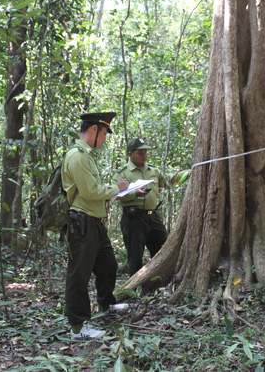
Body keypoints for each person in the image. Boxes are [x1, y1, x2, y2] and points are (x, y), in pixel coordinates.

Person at [61, 112, 131, 340]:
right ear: (94, 130)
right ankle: (78, 327)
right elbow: (91, 192)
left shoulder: (87, 156)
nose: (104, 139)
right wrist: (117, 188)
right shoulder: (78, 156)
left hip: (95, 223)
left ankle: (107, 304)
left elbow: (93, 191)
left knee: (108, 265)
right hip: (82, 224)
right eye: (104, 134)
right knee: (78, 275)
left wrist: (118, 190)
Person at [115, 138, 190, 276]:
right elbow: (116, 194)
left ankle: (161, 281)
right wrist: (134, 194)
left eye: (145, 153)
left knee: (163, 249)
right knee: (135, 255)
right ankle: (136, 289)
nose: (144, 156)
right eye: (140, 153)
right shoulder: (123, 173)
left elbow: (170, 181)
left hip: (152, 216)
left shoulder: (153, 170)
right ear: (130, 154)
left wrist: (187, 174)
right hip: (133, 218)